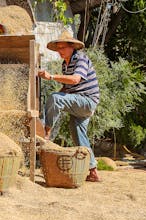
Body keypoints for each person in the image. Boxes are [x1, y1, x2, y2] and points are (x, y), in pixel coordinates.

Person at [37, 29, 101, 182]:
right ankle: (93, 171)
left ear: (72, 47)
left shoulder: (80, 59)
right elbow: (67, 88)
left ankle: (46, 132)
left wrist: (51, 77)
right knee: (78, 135)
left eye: (62, 47)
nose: (60, 51)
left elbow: (75, 80)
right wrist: (59, 95)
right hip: (79, 102)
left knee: (55, 98)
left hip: (86, 101)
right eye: (58, 48)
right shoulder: (65, 65)